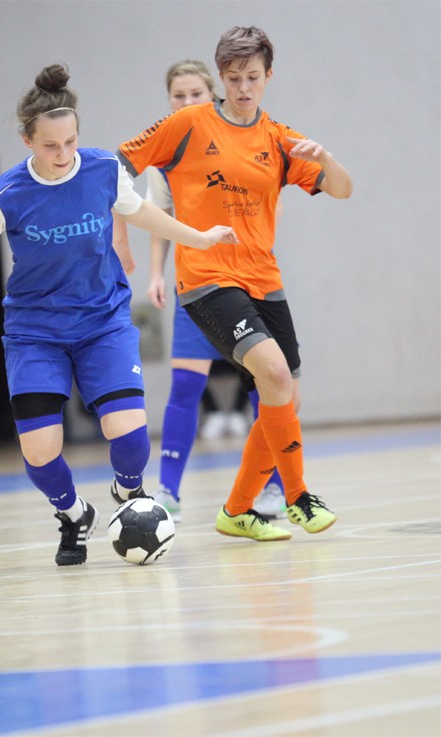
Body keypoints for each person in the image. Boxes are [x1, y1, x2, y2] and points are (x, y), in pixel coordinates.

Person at [0, 64, 237, 566]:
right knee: (39, 450)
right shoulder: (4, 197)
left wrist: (198, 238)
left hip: (102, 321)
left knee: (131, 437)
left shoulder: (101, 169)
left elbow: (139, 211)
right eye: (50, 145)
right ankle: (74, 515)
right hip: (35, 333)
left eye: (70, 142)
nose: (63, 154)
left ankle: (127, 489)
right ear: (28, 140)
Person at [117, 26, 352, 542]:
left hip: (265, 281)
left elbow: (342, 189)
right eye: (233, 78)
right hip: (207, 280)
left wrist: (327, 159)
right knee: (271, 372)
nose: (243, 87)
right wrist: (120, 236)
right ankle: (297, 496)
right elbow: (118, 166)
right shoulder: (187, 124)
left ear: (268, 77)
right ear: (221, 78)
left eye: (253, 77)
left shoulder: (279, 138)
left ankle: (237, 510)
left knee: (284, 395)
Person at [116, 59, 286, 523]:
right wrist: (155, 274)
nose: (187, 102)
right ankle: (168, 491)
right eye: (178, 95)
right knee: (186, 385)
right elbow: (159, 217)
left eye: (196, 94)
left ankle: (274, 486)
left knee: (265, 382)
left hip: (248, 281)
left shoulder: (240, 136)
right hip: (197, 285)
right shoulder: (167, 150)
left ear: (213, 95)